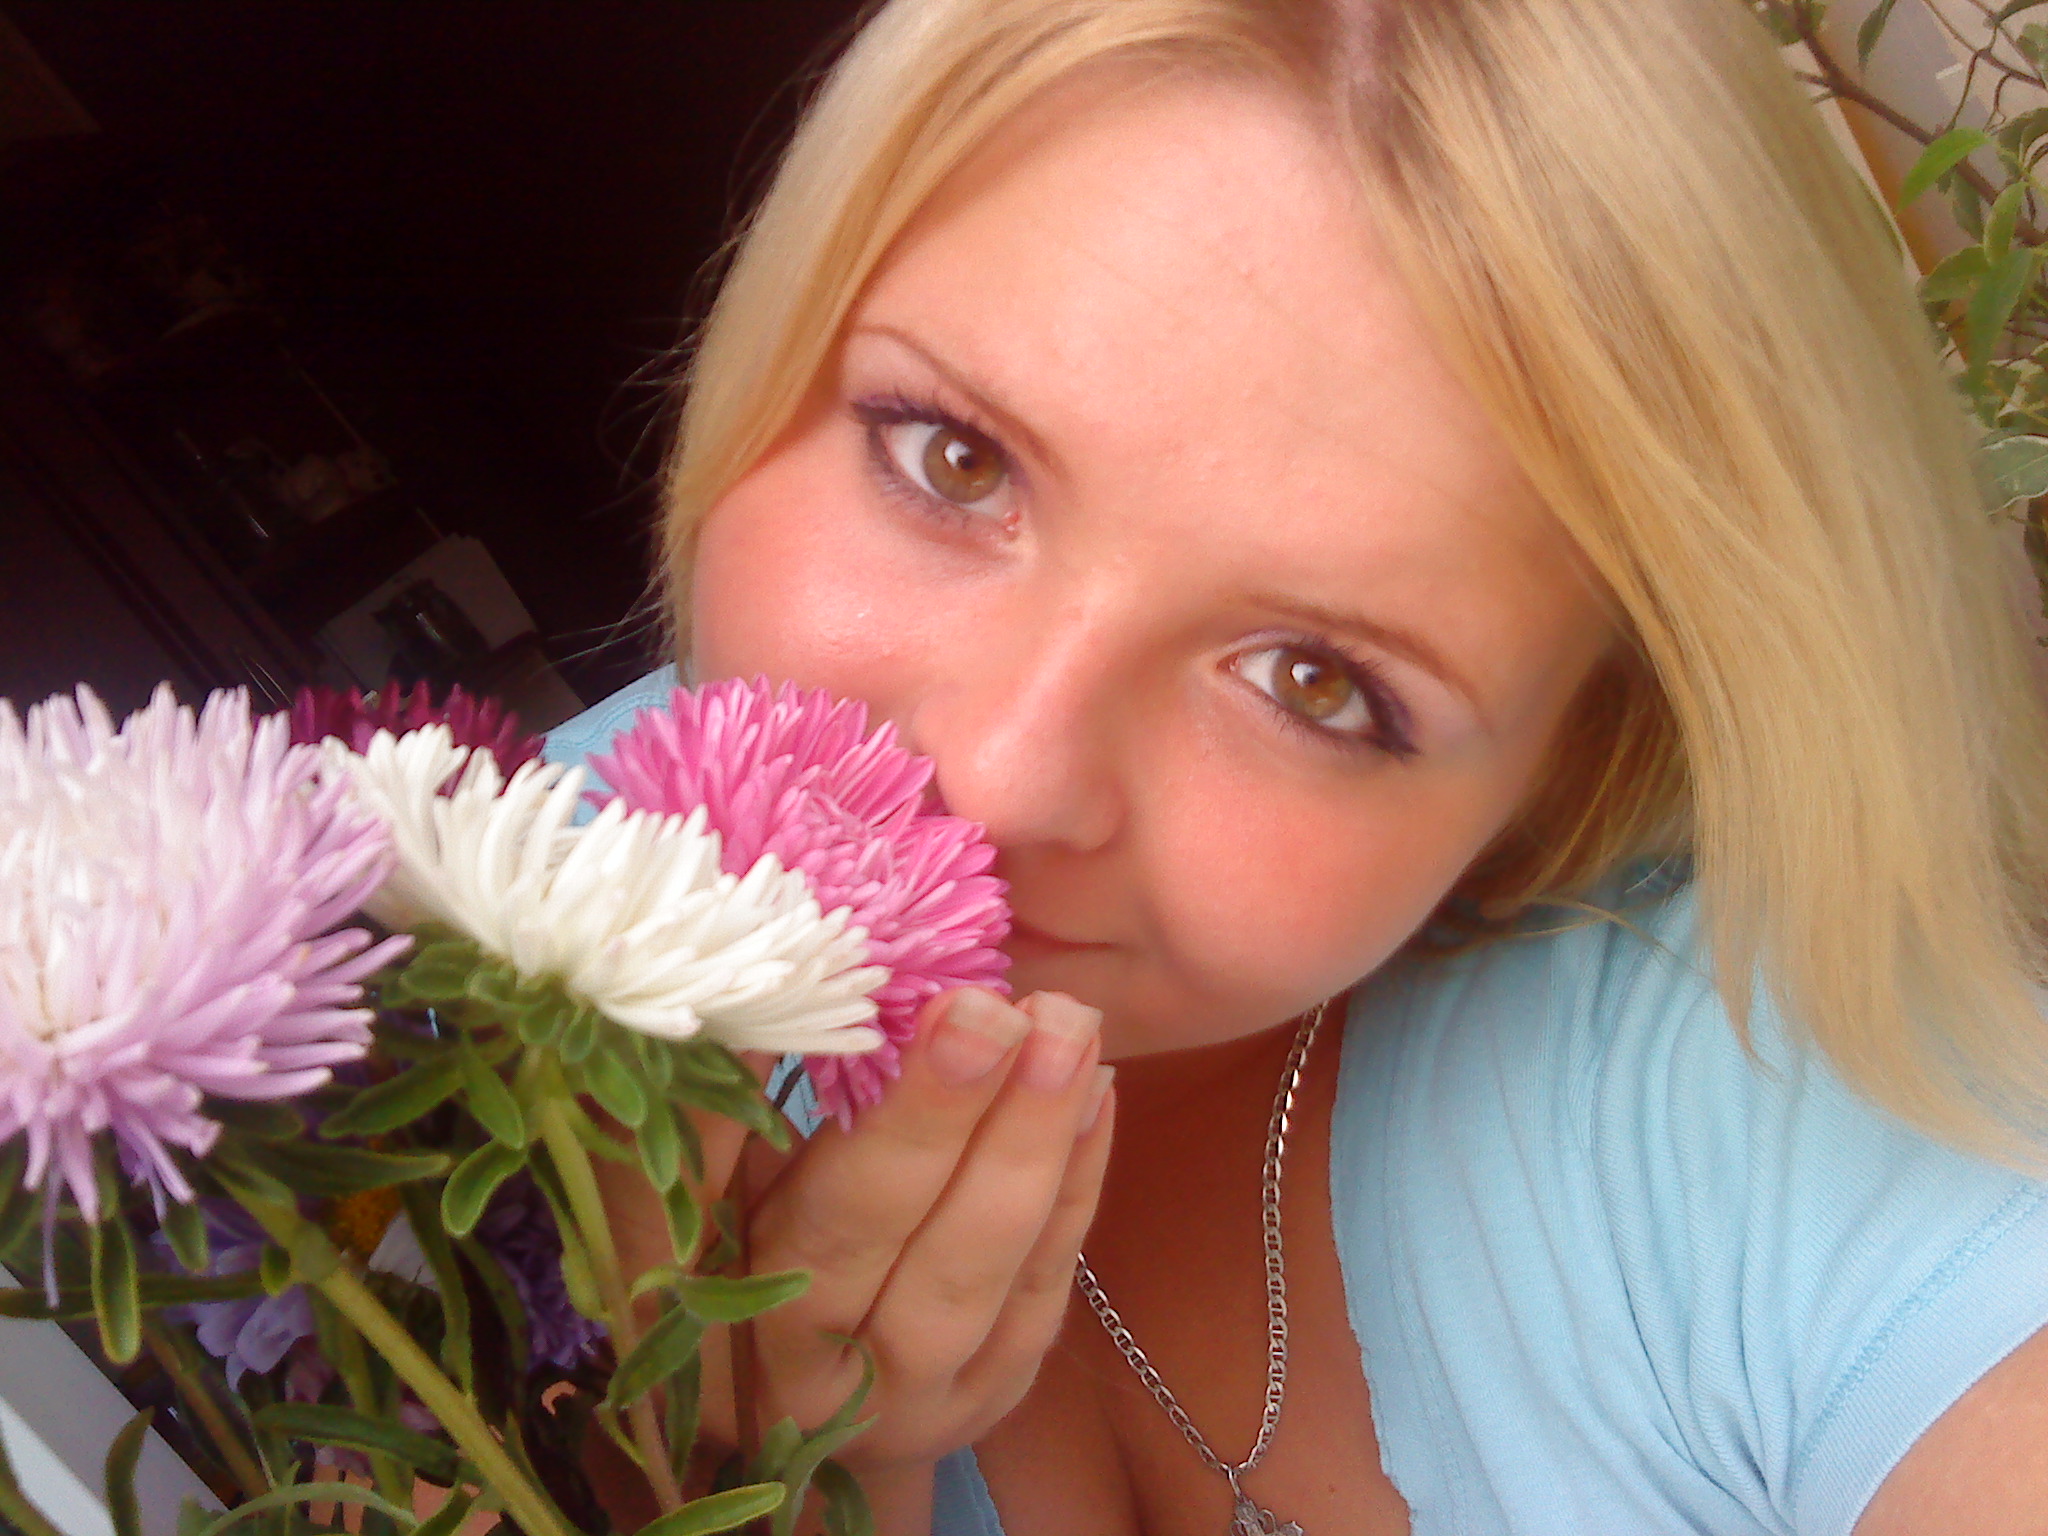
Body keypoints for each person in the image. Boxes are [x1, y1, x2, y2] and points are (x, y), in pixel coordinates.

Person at [580, 0, 2048, 1530]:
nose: (1002, 779)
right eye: (950, 458)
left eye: (1314, 681)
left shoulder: (1780, 1112)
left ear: (1568, 770)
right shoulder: (472, 945)